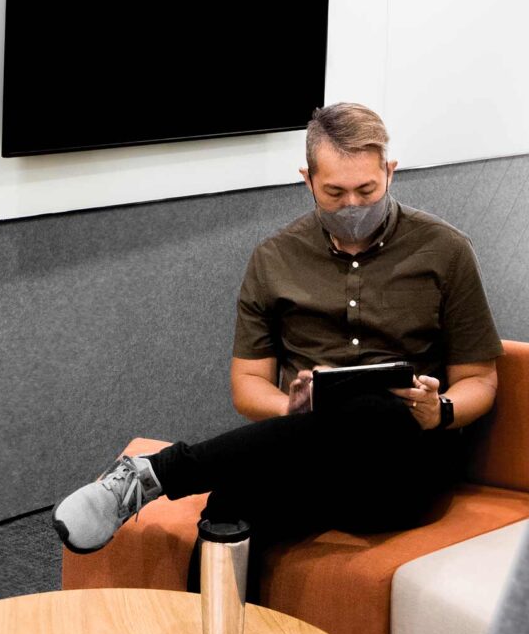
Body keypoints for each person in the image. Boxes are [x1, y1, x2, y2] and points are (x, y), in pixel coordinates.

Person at [53, 101, 501, 555]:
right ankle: (196, 597)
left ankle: (160, 473)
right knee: (230, 505)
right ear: (307, 180)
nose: (352, 205)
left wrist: (439, 409)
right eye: (334, 192)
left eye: (366, 189)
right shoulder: (274, 258)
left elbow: (480, 380)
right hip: (310, 458)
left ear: (390, 172)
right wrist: (292, 406)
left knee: (375, 411)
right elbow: (248, 385)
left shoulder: (446, 250)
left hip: (404, 466)